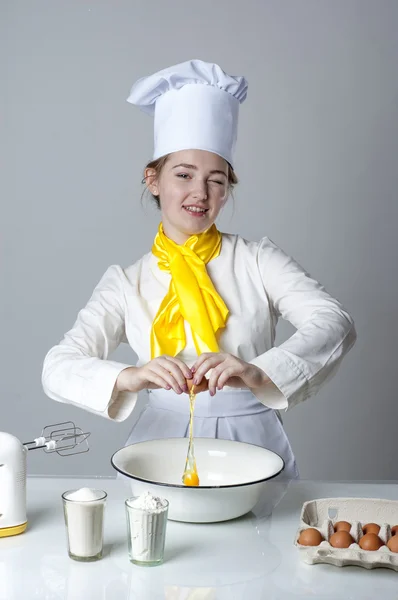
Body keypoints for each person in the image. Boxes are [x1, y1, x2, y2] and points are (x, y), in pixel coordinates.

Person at [42, 60, 356, 481]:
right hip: (156, 446)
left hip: (253, 445)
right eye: (184, 175)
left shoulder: (258, 260)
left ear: (227, 189)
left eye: (216, 180)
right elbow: (58, 365)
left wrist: (258, 371)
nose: (200, 193)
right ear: (153, 180)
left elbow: (334, 321)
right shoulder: (126, 281)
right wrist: (131, 376)